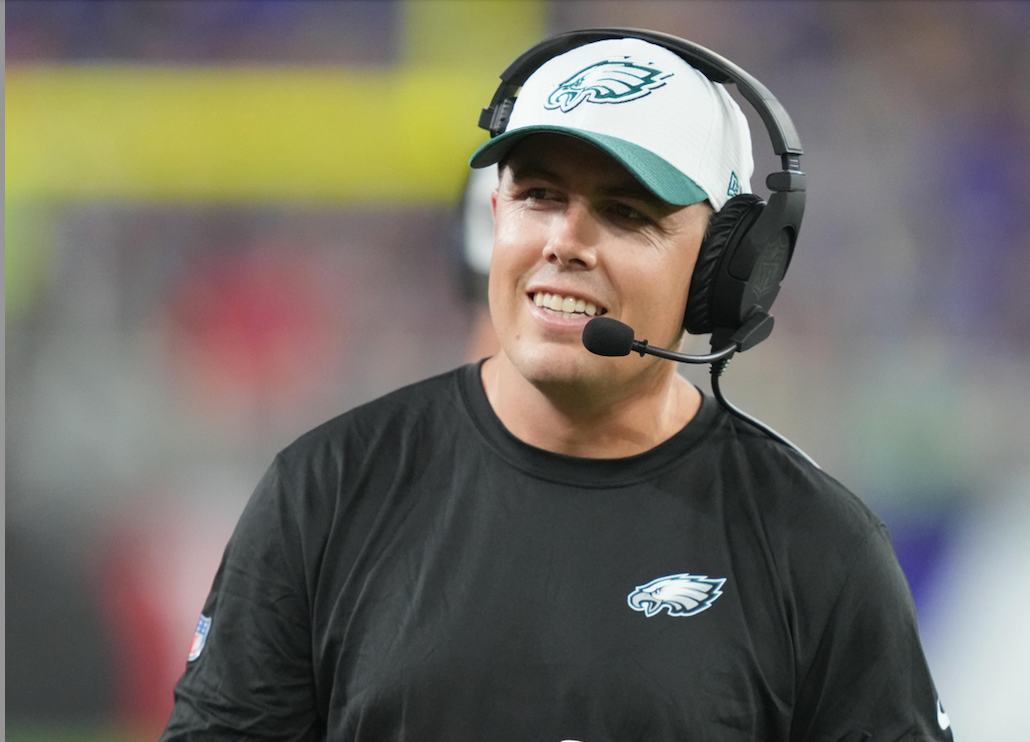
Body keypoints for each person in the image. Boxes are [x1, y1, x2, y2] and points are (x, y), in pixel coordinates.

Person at [161, 31, 953, 741]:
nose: (565, 242)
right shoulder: (326, 493)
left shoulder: (814, 545)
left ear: (727, 268)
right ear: (495, 214)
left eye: (626, 211)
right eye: (539, 196)